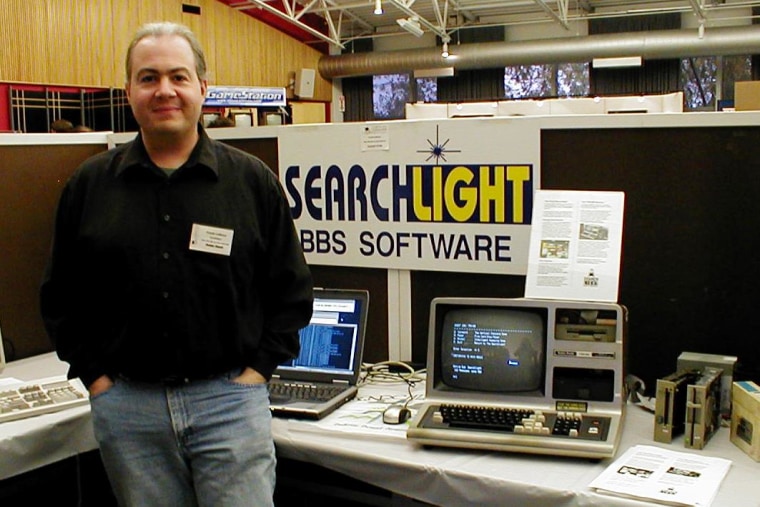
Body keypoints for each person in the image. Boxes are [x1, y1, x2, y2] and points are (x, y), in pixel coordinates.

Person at [40, 21, 313, 507]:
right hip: (128, 410)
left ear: (202, 88)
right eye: (148, 78)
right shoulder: (88, 186)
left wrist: (258, 371)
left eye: (178, 77)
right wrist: (97, 380)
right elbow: (61, 296)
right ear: (129, 91)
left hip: (229, 403)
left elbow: (290, 292)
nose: (164, 90)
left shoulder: (250, 183)